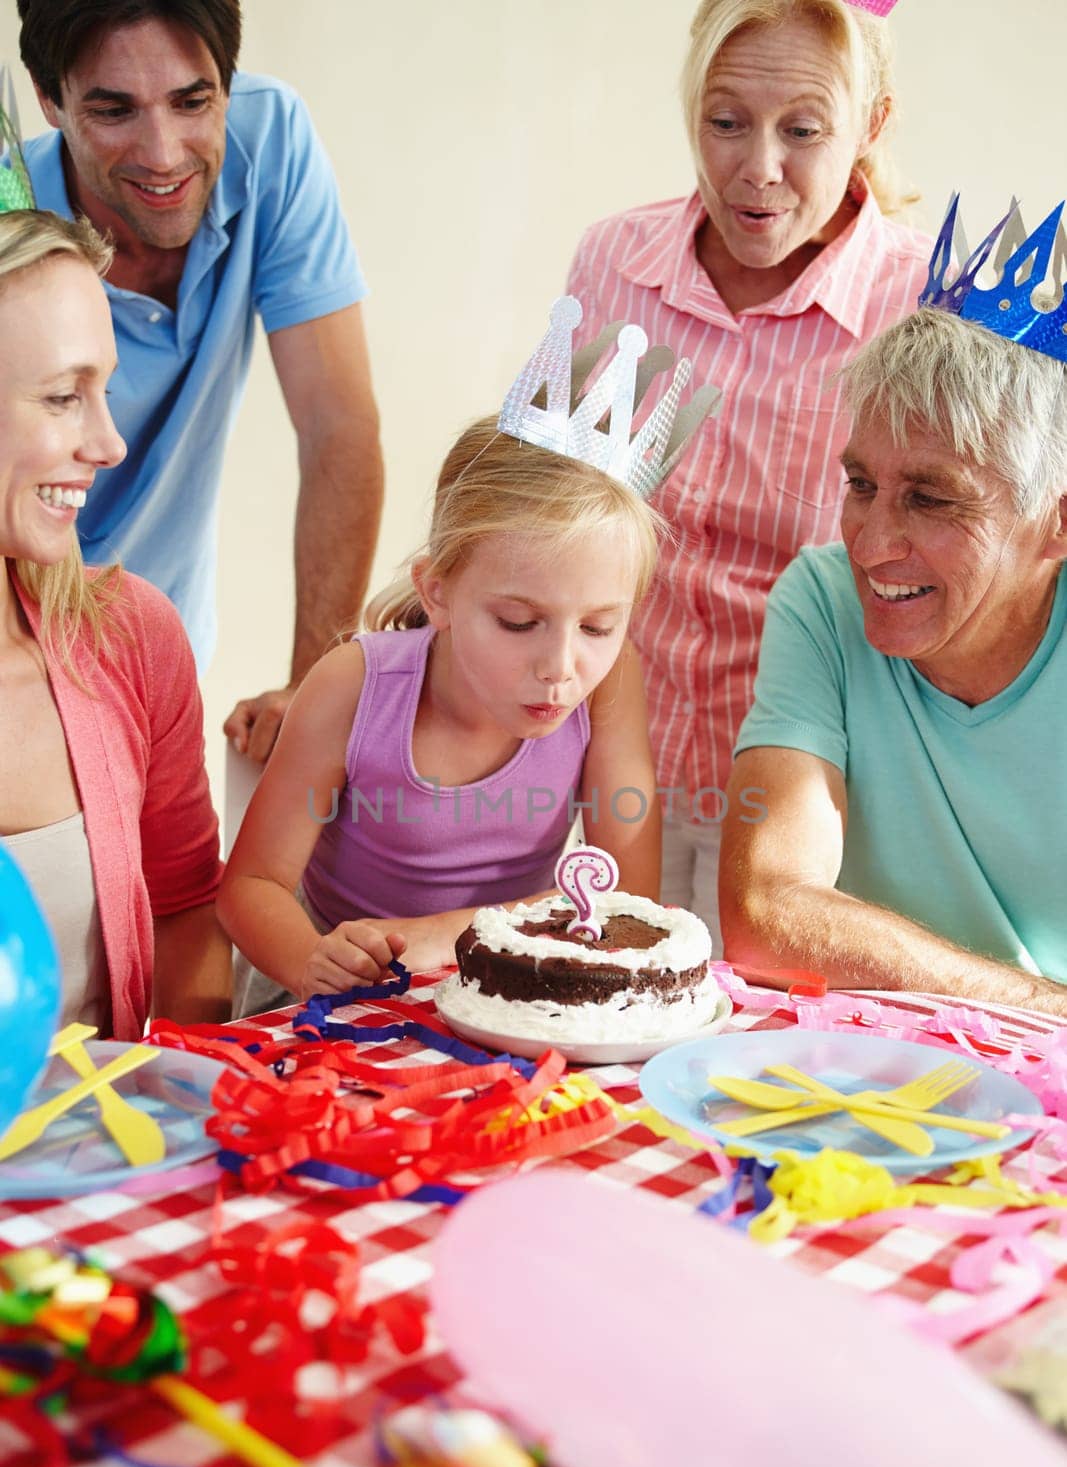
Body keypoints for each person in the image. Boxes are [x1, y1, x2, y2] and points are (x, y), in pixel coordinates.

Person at [565, 0, 929, 942]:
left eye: (802, 131)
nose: (756, 168)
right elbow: (549, 513)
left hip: (815, 810)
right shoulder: (616, 266)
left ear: (870, 124)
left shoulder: (923, 303)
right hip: (606, 776)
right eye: (724, 122)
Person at [16, 0, 385, 761]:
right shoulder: (10, 228)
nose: (163, 153)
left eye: (193, 101)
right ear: (49, 97)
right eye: (114, 110)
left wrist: (311, 690)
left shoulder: (270, 137)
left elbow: (337, 429)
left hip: (163, 650)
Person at [218, 413, 663, 1009]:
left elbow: (628, 901)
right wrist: (311, 962)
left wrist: (441, 935)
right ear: (437, 592)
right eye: (518, 622)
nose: (561, 665)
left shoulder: (610, 683)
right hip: (340, 994)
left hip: (516, 985)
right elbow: (250, 886)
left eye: (598, 626)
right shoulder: (355, 685)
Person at [720, 303, 1067, 1015]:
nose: (869, 546)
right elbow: (765, 914)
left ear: (1055, 523)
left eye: (930, 498)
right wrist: (1042, 1003)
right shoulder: (819, 597)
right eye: (860, 486)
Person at [0, 206, 229, 1038]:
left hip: (105, 1158)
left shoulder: (131, 637)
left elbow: (186, 906)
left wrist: (189, 1121)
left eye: (105, 388)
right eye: (64, 396)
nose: (109, 443)